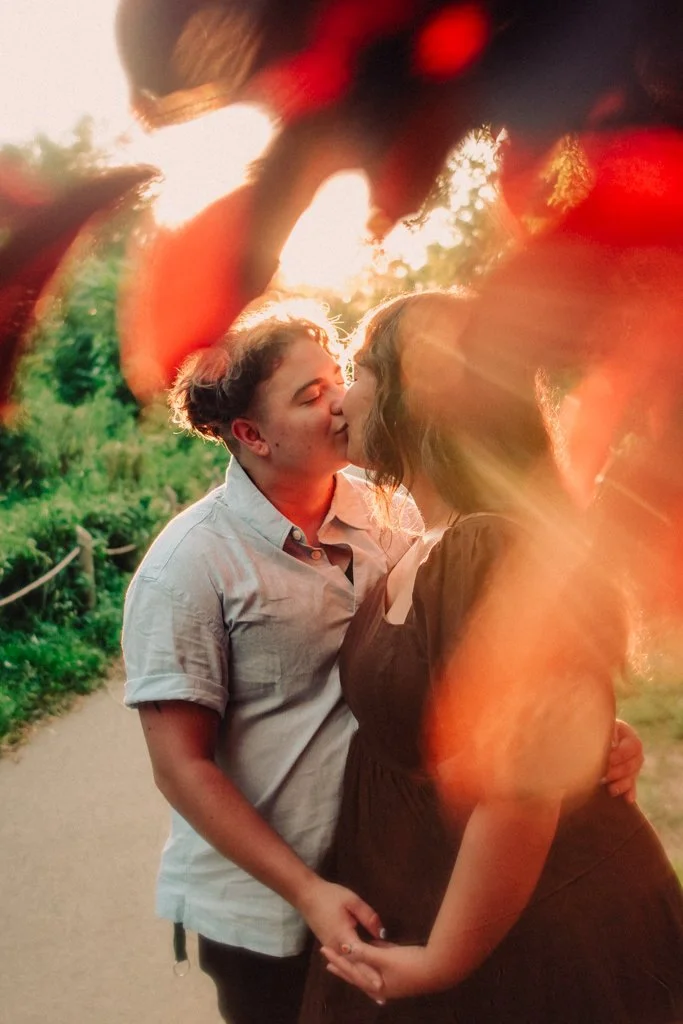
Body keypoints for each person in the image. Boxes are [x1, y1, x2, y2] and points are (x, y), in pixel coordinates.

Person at [122, 298, 643, 1024]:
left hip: (399, 884)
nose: (337, 402)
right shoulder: (188, 566)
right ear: (250, 434)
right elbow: (180, 765)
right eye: (309, 396)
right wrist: (305, 889)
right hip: (272, 907)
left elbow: (470, 653)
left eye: (340, 378)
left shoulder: (390, 512)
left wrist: (583, 728)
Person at [299, 290, 683, 1023]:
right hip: (461, 919)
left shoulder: (486, 544)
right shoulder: (419, 544)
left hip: (538, 942)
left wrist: (442, 959)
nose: (339, 398)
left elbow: (521, 788)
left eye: (356, 369)